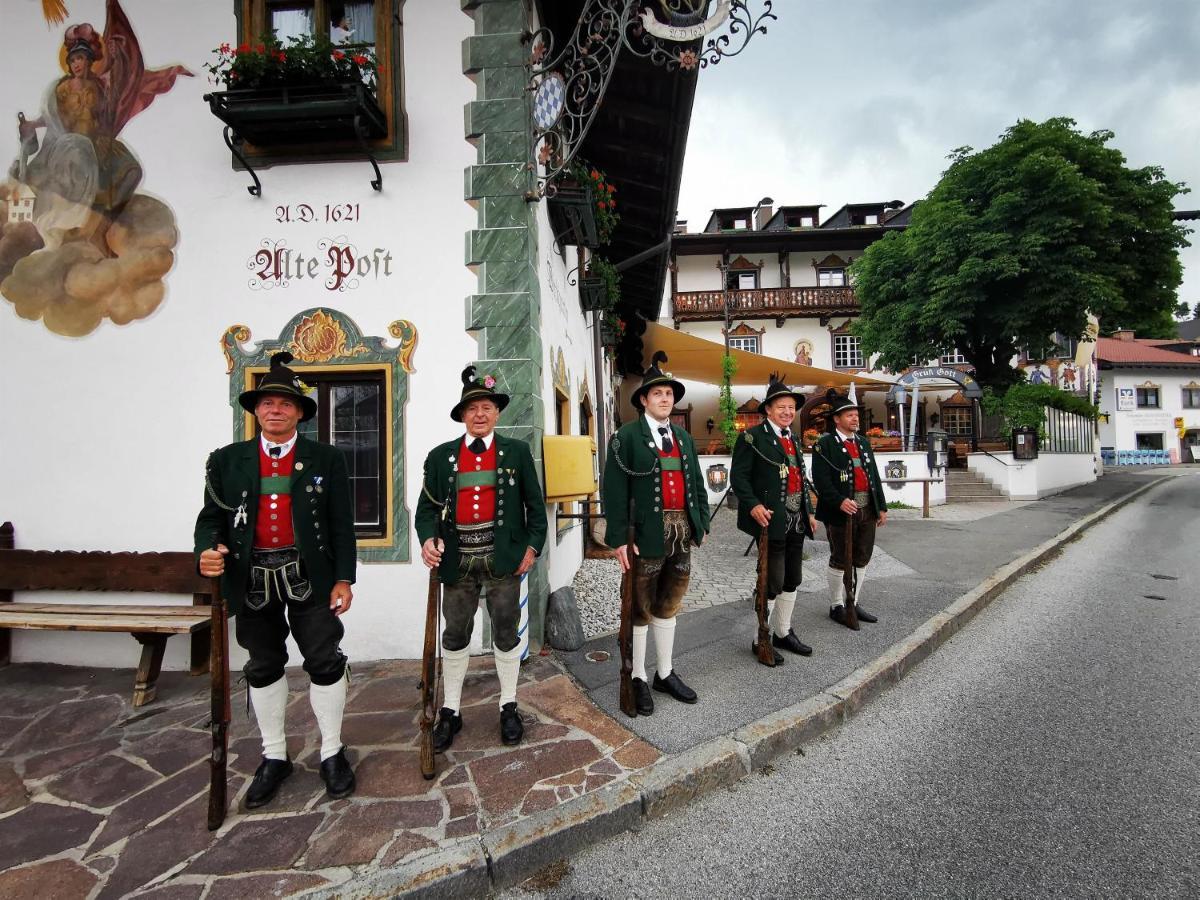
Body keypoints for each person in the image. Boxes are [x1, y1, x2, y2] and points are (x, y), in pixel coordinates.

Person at [195, 351, 357, 808]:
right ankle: (274, 755)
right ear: (255, 409)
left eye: (285, 403)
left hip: (312, 576)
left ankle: (331, 750)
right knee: (263, 665)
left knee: (324, 660)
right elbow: (211, 520)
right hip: (250, 579)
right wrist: (207, 550)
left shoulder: (326, 458)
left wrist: (344, 578)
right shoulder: (226, 462)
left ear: (300, 412)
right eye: (267, 402)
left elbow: (342, 524)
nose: (275, 409)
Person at [415, 367, 547, 750]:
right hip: (456, 563)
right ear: (462, 415)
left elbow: (535, 511)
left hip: (503, 560)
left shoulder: (518, 453)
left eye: (486, 407)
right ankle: (451, 711)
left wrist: (531, 548)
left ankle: (508, 705)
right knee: (455, 635)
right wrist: (427, 539)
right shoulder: (440, 458)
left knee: (507, 632)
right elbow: (427, 510)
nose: (480, 414)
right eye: (472, 408)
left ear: (497, 413)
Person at [602, 352, 711, 715]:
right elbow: (613, 490)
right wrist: (618, 537)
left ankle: (665, 672)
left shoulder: (683, 438)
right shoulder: (625, 438)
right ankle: (637, 676)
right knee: (639, 608)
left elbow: (695, 482)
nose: (665, 399)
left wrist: (702, 522)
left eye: (669, 394)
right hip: (645, 535)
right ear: (644, 401)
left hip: (681, 533)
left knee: (670, 603)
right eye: (658, 394)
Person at [730, 373, 818, 665]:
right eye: (781, 406)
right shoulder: (752, 437)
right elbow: (739, 478)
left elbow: (800, 478)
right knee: (772, 580)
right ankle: (761, 638)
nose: (787, 412)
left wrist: (809, 511)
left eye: (791, 407)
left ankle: (783, 631)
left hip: (797, 519)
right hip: (770, 520)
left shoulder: (792, 438)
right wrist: (753, 505)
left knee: (794, 577)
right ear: (768, 409)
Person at [810, 389, 888, 630]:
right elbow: (821, 481)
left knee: (862, 557)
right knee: (841, 559)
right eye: (849, 415)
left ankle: (853, 602)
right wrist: (839, 501)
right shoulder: (824, 445)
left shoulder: (863, 443)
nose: (855, 419)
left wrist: (881, 507)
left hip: (867, 508)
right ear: (836, 419)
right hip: (840, 512)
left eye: (856, 415)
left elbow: (873, 475)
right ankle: (836, 606)